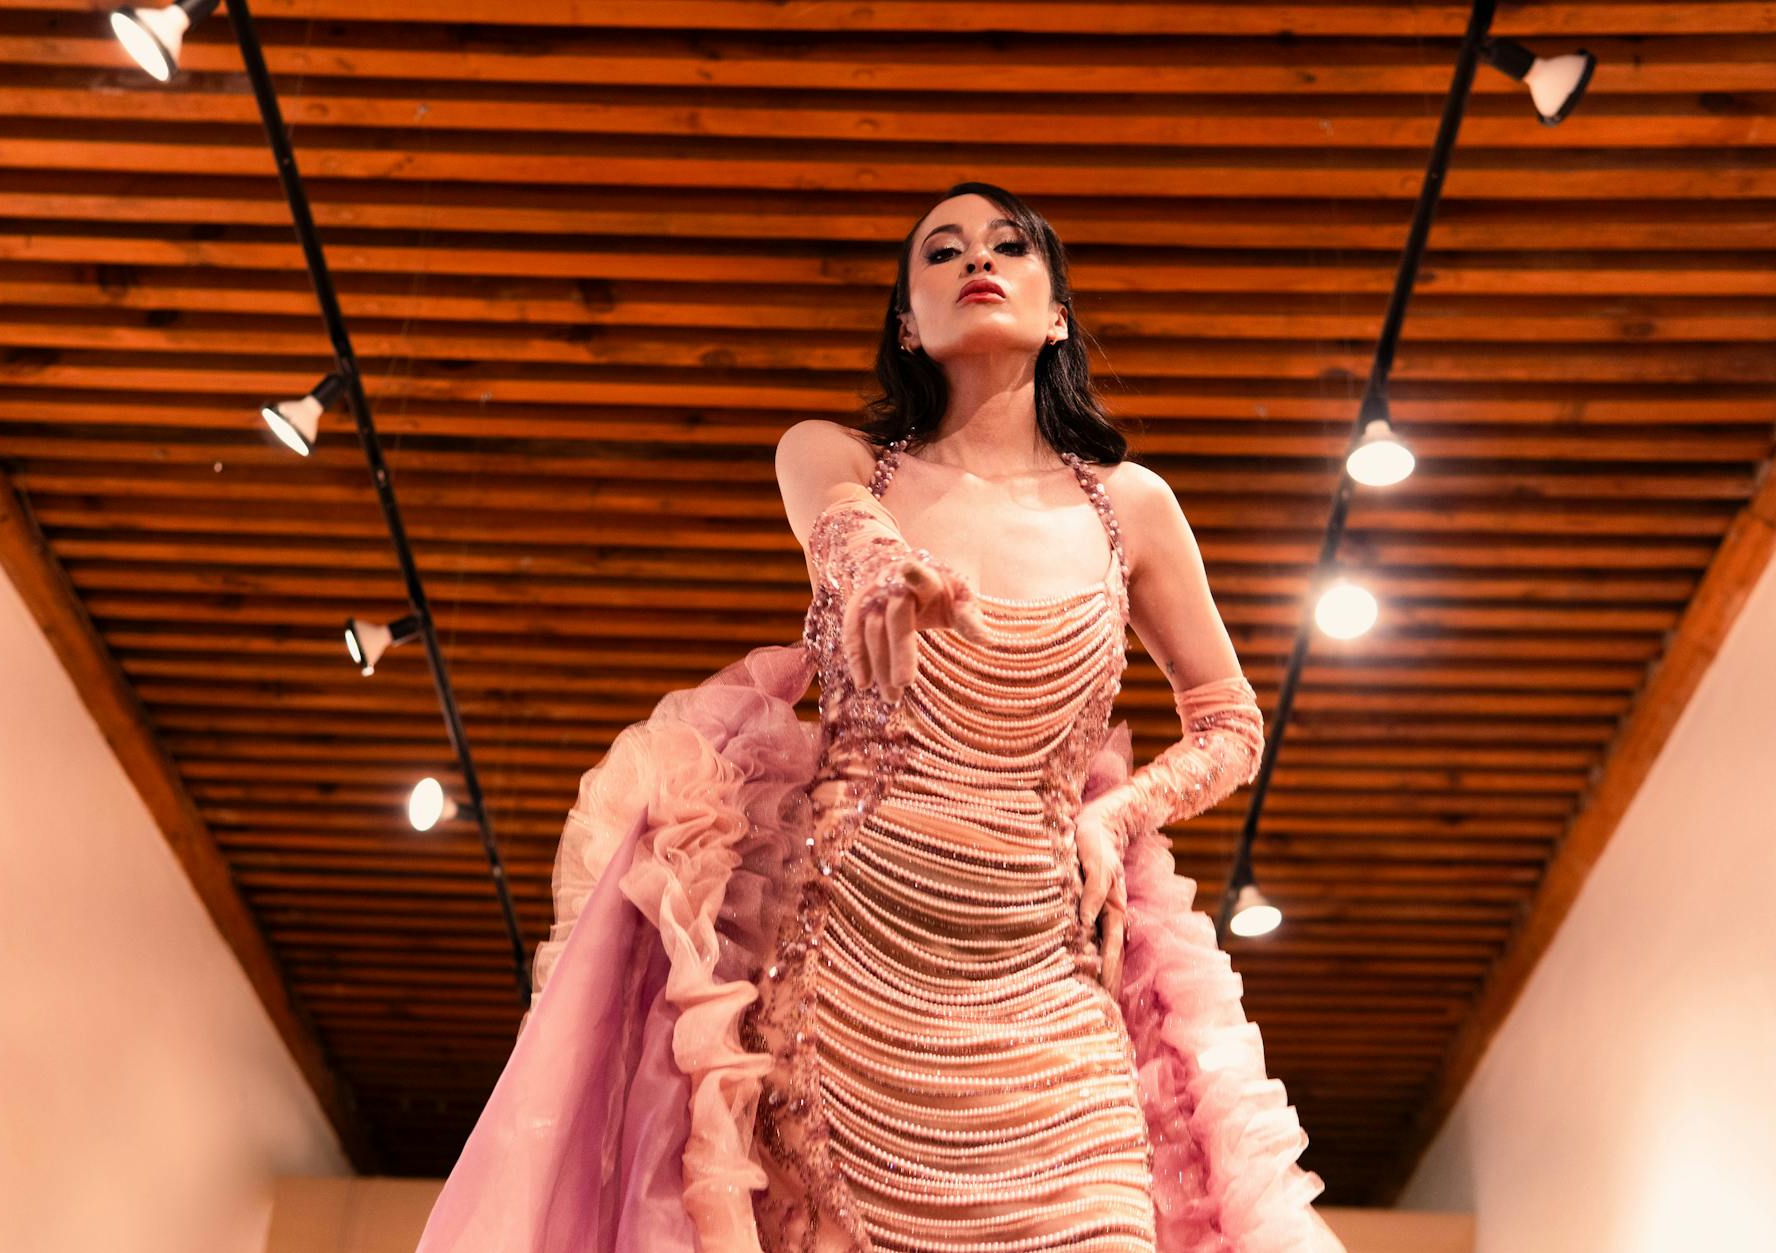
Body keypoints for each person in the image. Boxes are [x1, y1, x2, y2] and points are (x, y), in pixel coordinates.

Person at [412, 183, 1341, 1252]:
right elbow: (845, 536)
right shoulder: (835, 456)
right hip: (855, 987)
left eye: (1006, 246)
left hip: (1047, 994)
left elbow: (1229, 721)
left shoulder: (1132, 507)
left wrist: (1116, 813)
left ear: (1056, 315)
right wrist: (883, 578)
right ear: (908, 321)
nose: (973, 260)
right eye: (939, 252)